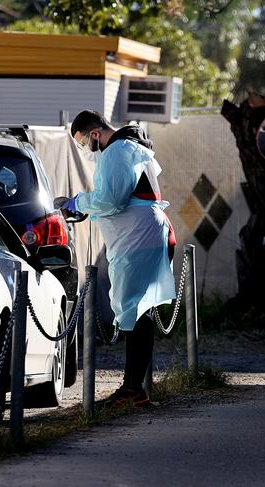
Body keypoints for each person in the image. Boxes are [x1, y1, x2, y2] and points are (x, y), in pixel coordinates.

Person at [61, 110, 176, 407]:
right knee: (139, 312)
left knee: (133, 312)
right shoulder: (135, 147)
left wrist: (78, 202)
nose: (87, 149)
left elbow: (110, 200)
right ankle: (135, 388)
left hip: (136, 239)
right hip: (144, 235)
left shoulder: (117, 151)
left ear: (95, 133)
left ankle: (132, 390)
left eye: (85, 142)